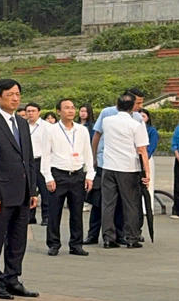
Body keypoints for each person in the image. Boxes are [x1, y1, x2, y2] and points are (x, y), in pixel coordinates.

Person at [0, 79, 38, 300]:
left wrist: (32, 190)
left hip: (22, 193)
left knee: (18, 238)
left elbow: (29, 159)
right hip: (1, 195)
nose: (15, 98)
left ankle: (13, 278)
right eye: (10, 94)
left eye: (18, 94)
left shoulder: (22, 123)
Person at [87, 88, 145, 244]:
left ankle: (112, 236)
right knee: (123, 203)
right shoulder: (107, 113)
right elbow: (97, 136)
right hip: (120, 165)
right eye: (138, 103)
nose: (139, 106)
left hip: (110, 165)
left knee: (110, 203)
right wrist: (93, 158)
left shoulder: (137, 117)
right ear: (131, 103)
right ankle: (127, 236)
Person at [39, 99, 94, 257]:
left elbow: (88, 154)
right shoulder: (51, 130)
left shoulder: (81, 130)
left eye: (72, 107)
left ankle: (76, 244)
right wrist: (48, 177)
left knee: (77, 212)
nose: (70, 111)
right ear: (58, 111)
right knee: (54, 212)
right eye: (66, 108)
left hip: (77, 174)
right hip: (59, 174)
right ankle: (53, 243)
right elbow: (46, 155)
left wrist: (89, 175)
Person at [99, 93, 150, 249]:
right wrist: (147, 173)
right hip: (128, 168)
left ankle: (108, 237)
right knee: (131, 204)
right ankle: (131, 237)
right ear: (133, 107)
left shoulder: (107, 121)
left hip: (108, 166)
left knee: (108, 204)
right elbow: (142, 150)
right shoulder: (136, 124)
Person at [24, 103, 48, 226]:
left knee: (44, 190)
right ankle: (30, 216)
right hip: (27, 161)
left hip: (41, 160)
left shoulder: (46, 126)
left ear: (39, 112)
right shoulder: (22, 125)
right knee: (28, 188)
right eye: (28, 111)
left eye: (33, 111)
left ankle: (46, 216)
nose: (30, 113)